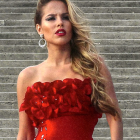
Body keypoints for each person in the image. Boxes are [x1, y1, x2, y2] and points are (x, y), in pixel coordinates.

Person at [16, 0, 123, 140]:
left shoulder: (94, 65)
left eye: (66, 17)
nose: (60, 22)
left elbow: (114, 116)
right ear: (39, 28)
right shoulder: (27, 76)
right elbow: (25, 134)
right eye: (51, 18)